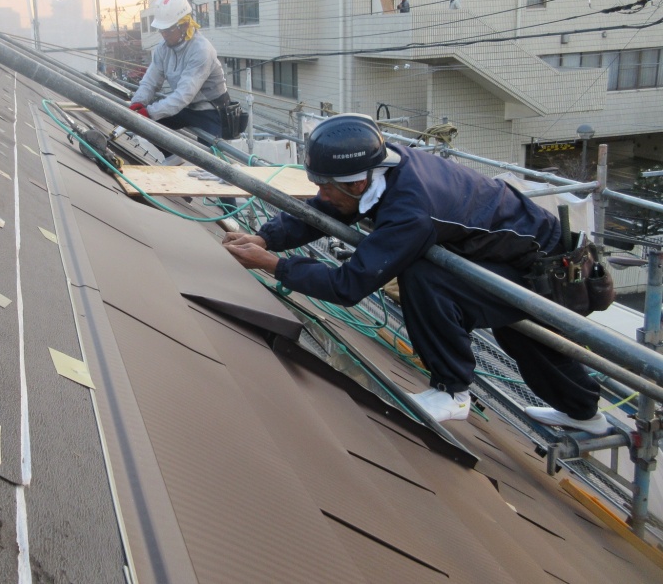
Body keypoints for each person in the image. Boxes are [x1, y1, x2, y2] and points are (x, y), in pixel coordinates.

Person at [222, 113, 608, 433]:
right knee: (524, 335)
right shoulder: (377, 170)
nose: (321, 194)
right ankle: (585, 413)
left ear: (357, 181)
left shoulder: (410, 211)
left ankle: (452, 391)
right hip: (522, 251)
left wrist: (275, 266)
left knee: (426, 277)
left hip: (548, 265)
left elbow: (348, 285)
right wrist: (265, 239)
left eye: (325, 186)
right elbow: (327, 210)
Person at [129, 0, 228, 144]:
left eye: (168, 30)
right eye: (161, 30)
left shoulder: (201, 50)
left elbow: (183, 95)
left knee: (207, 157)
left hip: (211, 111)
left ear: (185, 25)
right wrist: (138, 103)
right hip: (186, 108)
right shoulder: (163, 49)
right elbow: (150, 82)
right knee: (148, 127)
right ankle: (172, 157)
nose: (164, 34)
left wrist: (149, 112)